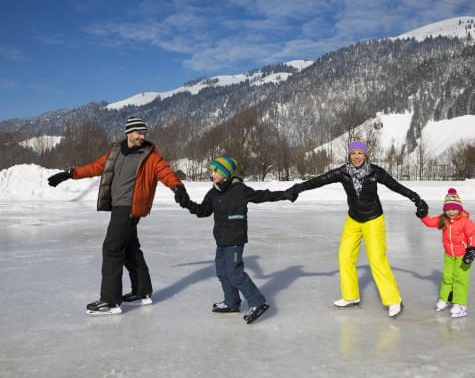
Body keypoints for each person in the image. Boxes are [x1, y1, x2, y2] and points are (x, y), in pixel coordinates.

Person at [47, 117, 187, 315]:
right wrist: (70, 174)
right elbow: (96, 167)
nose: (142, 136)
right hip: (118, 206)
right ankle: (141, 291)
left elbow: (165, 172)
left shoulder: (150, 155)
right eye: (138, 132)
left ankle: (110, 301)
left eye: (144, 133)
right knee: (130, 248)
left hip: (129, 207)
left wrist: (177, 186)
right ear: (128, 133)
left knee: (112, 248)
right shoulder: (115, 151)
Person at [285, 141, 427, 318]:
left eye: (360, 153)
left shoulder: (375, 172)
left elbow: (395, 186)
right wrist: (298, 188)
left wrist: (416, 198)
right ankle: (350, 296)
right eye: (353, 153)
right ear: (349, 156)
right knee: (345, 256)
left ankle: (393, 300)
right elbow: (320, 180)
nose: (357, 156)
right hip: (353, 219)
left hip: (373, 219)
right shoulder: (343, 172)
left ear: (366, 155)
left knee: (377, 259)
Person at [175, 157, 296, 324]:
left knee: (235, 273)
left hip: (235, 239)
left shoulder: (239, 190)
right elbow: (203, 211)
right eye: (211, 171)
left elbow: (262, 196)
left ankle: (257, 302)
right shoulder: (213, 192)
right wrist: (186, 203)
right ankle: (232, 302)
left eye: (215, 171)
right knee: (222, 272)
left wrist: (285, 194)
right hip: (221, 240)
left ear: (225, 173)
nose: (212, 174)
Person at [417, 188, 475, 318]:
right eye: (448, 209)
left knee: (460, 279)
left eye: (454, 209)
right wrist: (423, 215)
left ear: (459, 208)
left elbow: (472, 235)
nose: (451, 212)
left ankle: (461, 305)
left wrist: (471, 249)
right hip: (449, 256)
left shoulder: (465, 221)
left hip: (464, 256)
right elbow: (430, 222)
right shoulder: (444, 219)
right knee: (447, 278)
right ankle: (445, 299)